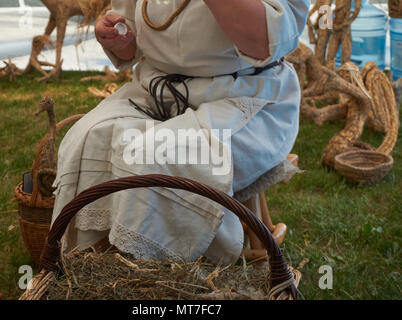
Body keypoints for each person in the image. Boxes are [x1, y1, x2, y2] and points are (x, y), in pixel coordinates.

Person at [51, 0, 310, 266]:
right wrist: (117, 38)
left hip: (243, 97)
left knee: (152, 156)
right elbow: (129, 35)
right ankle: (91, 265)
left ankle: (161, 274)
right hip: (157, 93)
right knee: (89, 138)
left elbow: (264, 41)